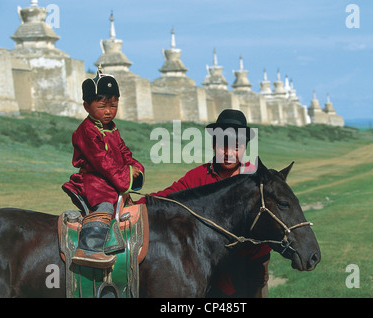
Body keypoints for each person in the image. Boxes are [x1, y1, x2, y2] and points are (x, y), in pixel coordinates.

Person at [138, 109, 270, 297]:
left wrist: (263, 261)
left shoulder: (254, 180)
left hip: (249, 268)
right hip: (210, 274)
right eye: (223, 145)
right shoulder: (199, 177)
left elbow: (267, 223)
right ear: (213, 144)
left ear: (245, 147)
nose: (229, 152)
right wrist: (136, 204)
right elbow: (167, 197)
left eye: (236, 146)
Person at [62, 69, 144, 268]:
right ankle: (88, 248)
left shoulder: (111, 128)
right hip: (95, 181)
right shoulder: (86, 131)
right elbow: (103, 162)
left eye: (113, 105)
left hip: (111, 179)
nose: (109, 111)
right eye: (102, 106)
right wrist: (126, 176)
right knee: (105, 205)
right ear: (86, 106)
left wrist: (135, 167)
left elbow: (124, 151)